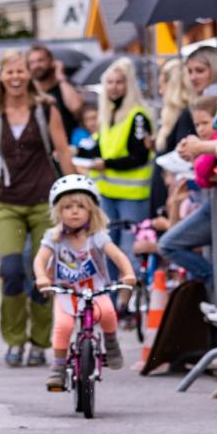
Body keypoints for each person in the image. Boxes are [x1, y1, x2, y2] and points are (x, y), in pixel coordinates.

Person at [0, 50, 76, 367]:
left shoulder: (45, 108)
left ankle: (40, 343)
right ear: (1, 77)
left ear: (28, 75)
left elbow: (63, 151)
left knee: (41, 272)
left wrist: (74, 195)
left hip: (44, 202)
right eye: (9, 72)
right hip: (9, 204)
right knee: (12, 271)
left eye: (21, 71)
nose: (15, 77)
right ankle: (14, 340)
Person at [33, 175, 134, 389]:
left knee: (107, 313)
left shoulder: (96, 236)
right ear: (58, 211)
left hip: (95, 290)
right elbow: (40, 259)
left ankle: (111, 343)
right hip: (66, 292)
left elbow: (117, 255)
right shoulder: (54, 237)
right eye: (68, 207)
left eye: (80, 206)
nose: (75, 211)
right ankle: (58, 367)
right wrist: (42, 276)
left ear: (92, 210)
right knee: (63, 326)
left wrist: (128, 274)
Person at [85, 58, 153, 284]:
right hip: (107, 193)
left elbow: (139, 156)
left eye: (119, 82)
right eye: (110, 82)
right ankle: (113, 300)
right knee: (106, 246)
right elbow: (101, 146)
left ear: (129, 84)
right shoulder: (107, 114)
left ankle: (132, 302)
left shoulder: (138, 116)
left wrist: (107, 164)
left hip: (132, 196)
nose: (114, 87)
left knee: (129, 249)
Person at [158, 99, 217, 284]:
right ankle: (212, 284)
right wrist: (190, 153)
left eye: (205, 123)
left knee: (168, 244)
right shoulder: (209, 142)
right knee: (170, 244)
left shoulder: (213, 141)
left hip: (211, 206)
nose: (201, 129)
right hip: (209, 204)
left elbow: (203, 172)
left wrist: (200, 149)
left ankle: (213, 283)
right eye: (197, 124)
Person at [28, 44, 84, 141]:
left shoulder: (64, 86)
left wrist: (61, 77)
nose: (36, 65)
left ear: (51, 62)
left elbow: (76, 107)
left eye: (41, 60)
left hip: (67, 147)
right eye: (32, 62)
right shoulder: (29, 92)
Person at [155, 58, 196, 154]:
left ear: (173, 85)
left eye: (161, 86)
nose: (160, 92)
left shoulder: (186, 114)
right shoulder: (174, 112)